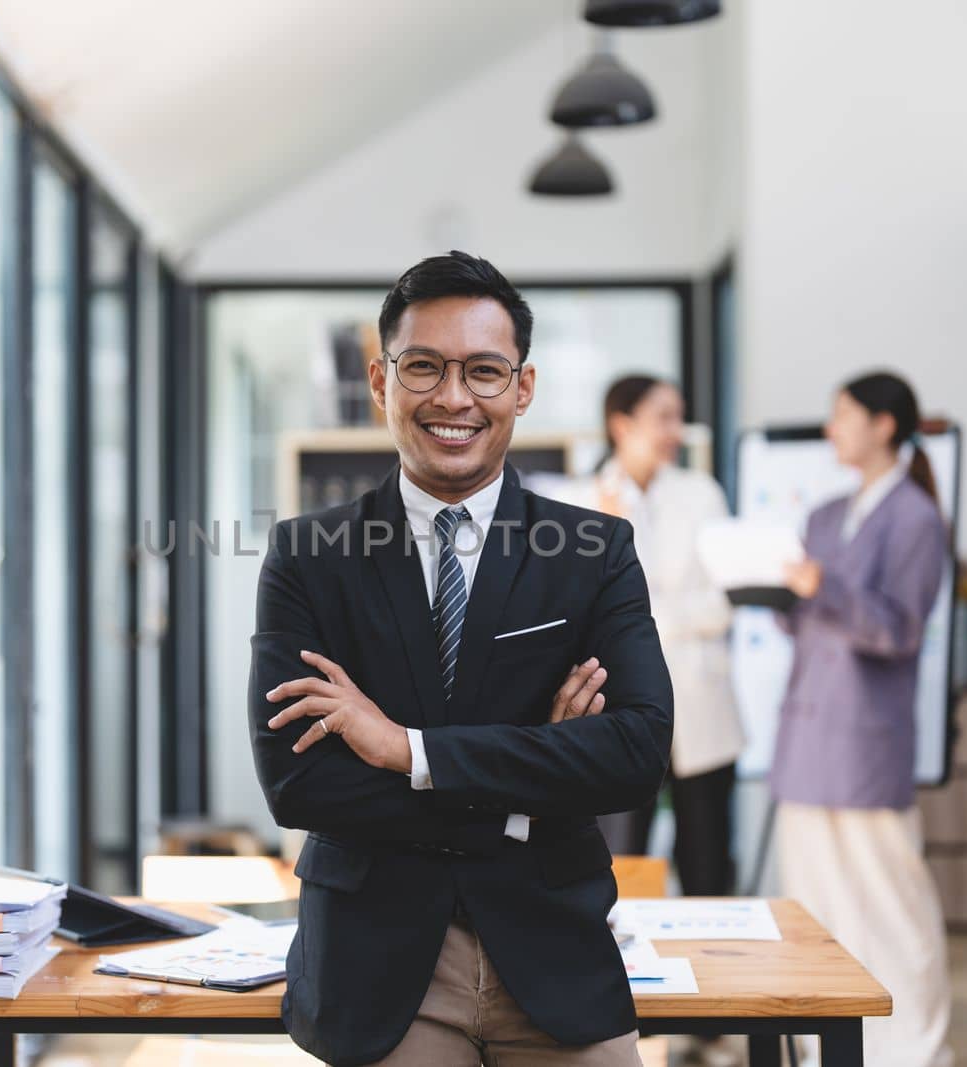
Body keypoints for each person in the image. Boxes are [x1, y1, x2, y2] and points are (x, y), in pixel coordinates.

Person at [249, 251, 673, 1066]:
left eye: (484, 371)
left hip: (555, 957)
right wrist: (535, 777)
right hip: (377, 968)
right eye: (424, 367)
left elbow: (635, 754)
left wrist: (405, 749)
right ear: (381, 381)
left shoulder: (594, 550)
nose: (453, 397)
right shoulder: (310, 555)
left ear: (522, 387)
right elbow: (298, 780)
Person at [771, 371, 953, 1067]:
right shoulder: (822, 514)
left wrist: (825, 589)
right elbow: (808, 624)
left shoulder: (915, 518)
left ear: (883, 424)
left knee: (893, 910)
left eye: (842, 416)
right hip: (807, 737)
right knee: (815, 911)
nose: (831, 429)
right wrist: (780, 593)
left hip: (866, 746)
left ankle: (915, 1048)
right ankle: (828, 1049)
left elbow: (899, 631)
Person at [591, 375, 743, 899]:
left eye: (678, 417)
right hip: (622, 703)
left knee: (705, 854)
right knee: (618, 854)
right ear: (622, 424)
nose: (675, 431)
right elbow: (585, 612)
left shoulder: (701, 494)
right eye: (663, 418)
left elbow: (723, 603)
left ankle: (712, 971)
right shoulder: (585, 501)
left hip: (699, 700)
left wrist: (646, 617)